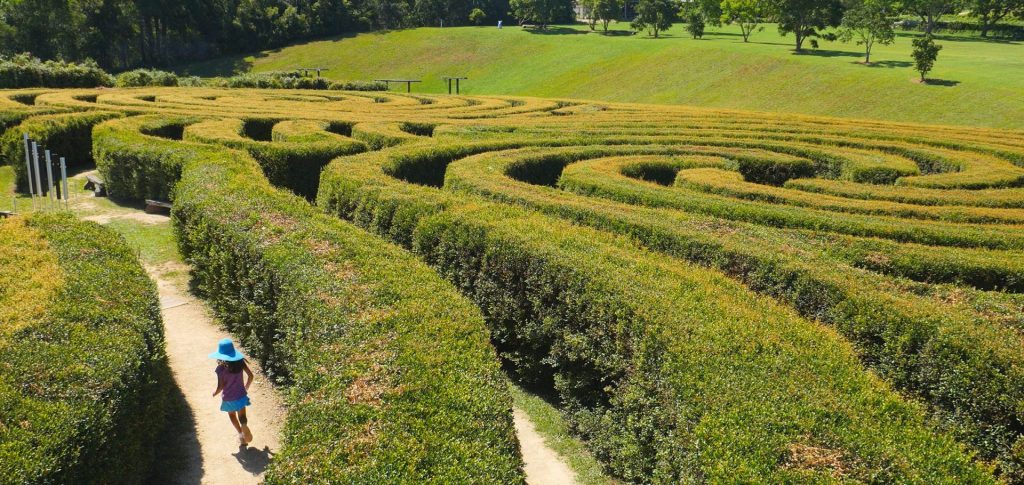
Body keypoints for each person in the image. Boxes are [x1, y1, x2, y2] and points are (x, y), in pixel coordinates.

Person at [209, 338, 254, 445]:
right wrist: (246, 387)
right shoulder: (240, 363)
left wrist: (215, 393)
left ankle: (241, 435)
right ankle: (244, 425)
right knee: (242, 416)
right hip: (241, 395)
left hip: (229, 398)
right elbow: (251, 376)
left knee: (232, 416)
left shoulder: (220, 369)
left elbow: (221, 386)